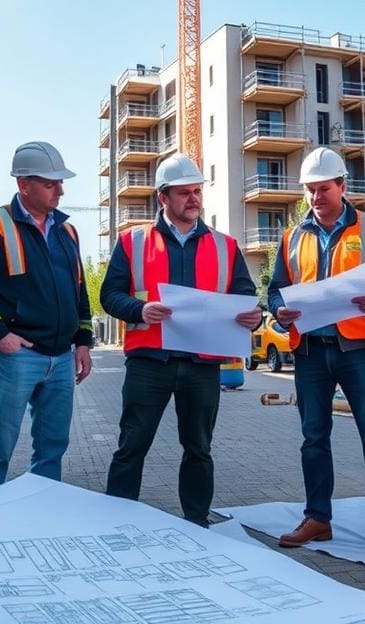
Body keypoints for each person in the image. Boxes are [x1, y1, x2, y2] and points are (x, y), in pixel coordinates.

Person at [101, 153, 262, 527]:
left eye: (197, 191)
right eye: (184, 193)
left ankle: (196, 522)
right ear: (163, 198)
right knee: (132, 446)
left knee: (199, 449)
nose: (194, 199)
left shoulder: (225, 245)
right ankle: (113, 521)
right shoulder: (132, 242)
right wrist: (140, 310)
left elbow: (244, 294)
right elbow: (109, 295)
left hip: (202, 366)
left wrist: (252, 318)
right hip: (148, 363)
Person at [269, 147, 365, 557]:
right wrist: (278, 310)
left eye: (323, 188)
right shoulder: (292, 236)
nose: (316, 197)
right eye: (310, 190)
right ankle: (318, 519)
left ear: (342, 186)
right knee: (313, 438)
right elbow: (276, 289)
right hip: (311, 351)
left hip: (358, 350)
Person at [0, 141, 93, 494]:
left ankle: (41, 514)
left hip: (62, 358)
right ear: (24, 184)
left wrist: (83, 342)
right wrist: (0, 335)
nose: (60, 190)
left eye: (60, 183)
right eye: (51, 183)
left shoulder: (68, 232)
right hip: (17, 357)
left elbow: (78, 291)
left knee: (52, 447)